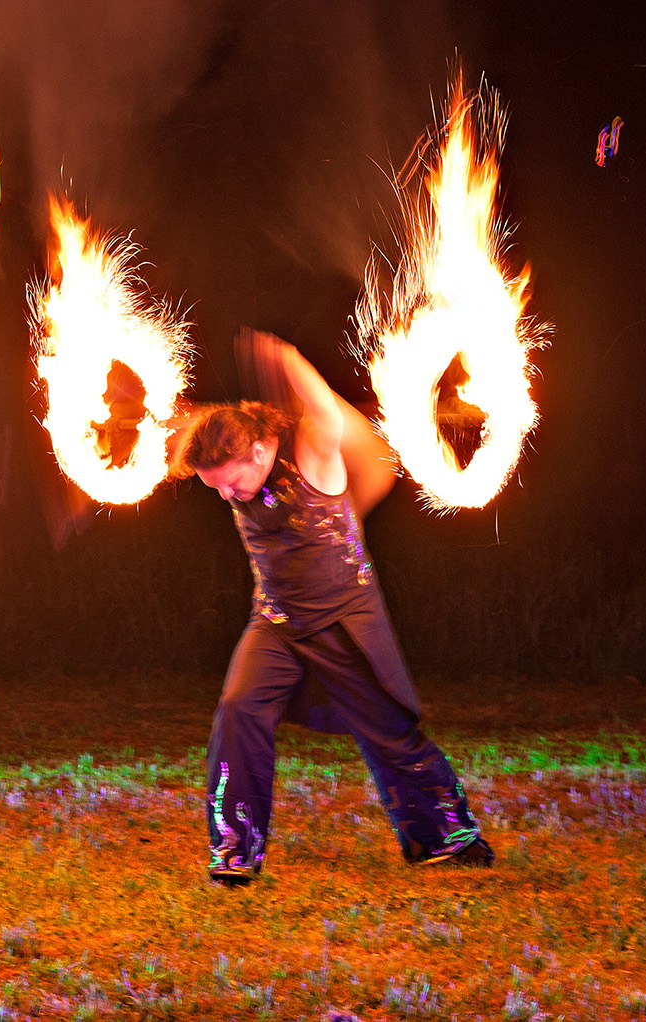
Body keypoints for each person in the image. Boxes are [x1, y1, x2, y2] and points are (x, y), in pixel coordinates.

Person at [173, 329, 492, 887]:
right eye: (216, 490)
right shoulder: (229, 460)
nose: (228, 496)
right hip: (274, 622)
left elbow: (324, 408)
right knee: (238, 710)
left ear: (257, 451)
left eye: (232, 485)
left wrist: (288, 358)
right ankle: (234, 852)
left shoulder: (312, 454)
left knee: (388, 729)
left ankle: (449, 837)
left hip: (344, 618)